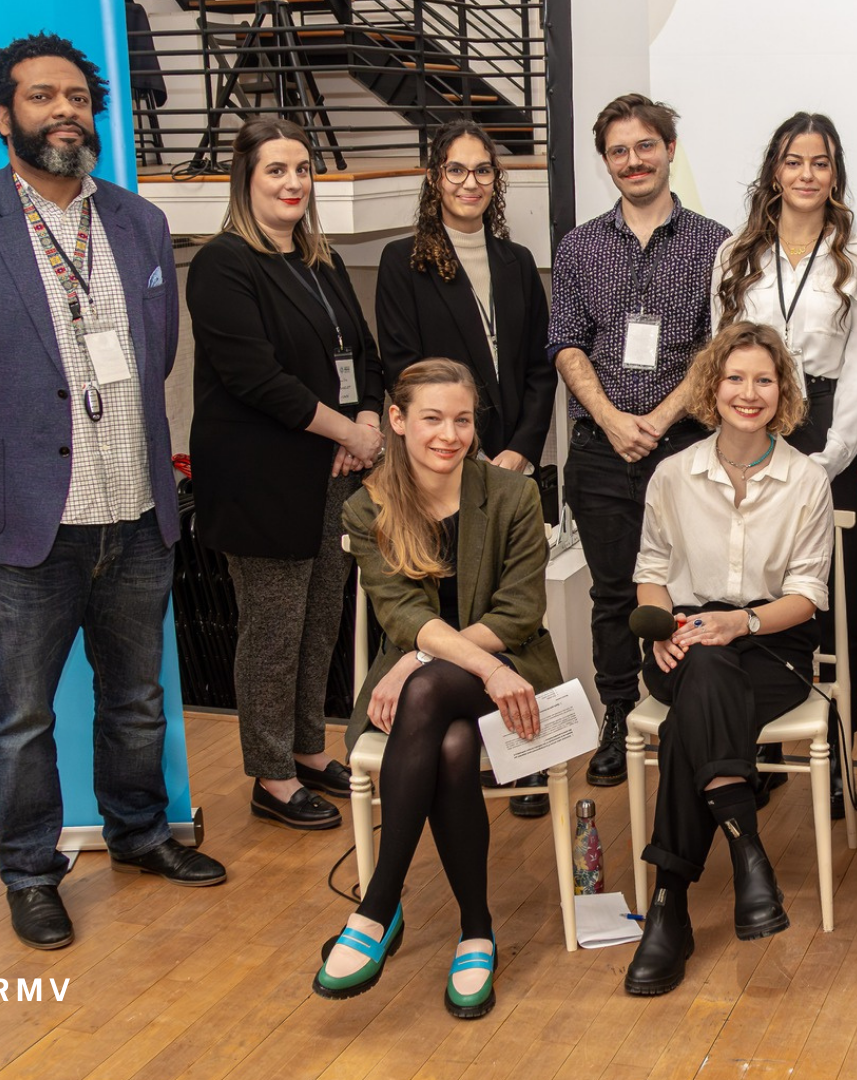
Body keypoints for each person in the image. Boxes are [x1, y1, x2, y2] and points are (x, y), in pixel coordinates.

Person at [0, 33, 225, 951]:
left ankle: (142, 834)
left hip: (136, 506)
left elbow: (157, 355)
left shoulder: (141, 224)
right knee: (21, 715)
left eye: (77, 96)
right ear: (3, 116)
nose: (65, 111)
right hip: (27, 522)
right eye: (41, 98)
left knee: (137, 697)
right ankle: (31, 872)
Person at [312, 360, 560, 1018]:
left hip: (517, 676)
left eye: (462, 419)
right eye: (431, 418)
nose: (449, 434)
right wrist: (432, 657)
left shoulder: (512, 495)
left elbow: (518, 616)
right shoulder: (369, 507)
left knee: (426, 693)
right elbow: (402, 617)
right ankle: (475, 929)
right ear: (396, 421)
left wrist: (415, 663)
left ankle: (377, 908)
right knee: (449, 741)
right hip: (456, 688)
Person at [620, 322, 835, 996]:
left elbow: (807, 595)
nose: (748, 392)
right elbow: (651, 570)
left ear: (783, 392)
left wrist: (739, 621)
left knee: (698, 706)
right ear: (713, 386)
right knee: (705, 667)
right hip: (683, 637)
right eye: (735, 378)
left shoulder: (806, 479)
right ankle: (747, 855)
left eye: (763, 380)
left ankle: (669, 905)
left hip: (773, 639)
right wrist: (661, 630)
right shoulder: (673, 474)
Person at [187, 117, 383, 833]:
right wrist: (353, 433)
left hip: (330, 469)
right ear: (246, 178)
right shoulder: (223, 263)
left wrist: (362, 420)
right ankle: (270, 776)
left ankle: (306, 749)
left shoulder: (318, 260)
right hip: (260, 476)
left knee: (319, 622)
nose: (293, 182)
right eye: (277, 169)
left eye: (302, 169)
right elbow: (255, 378)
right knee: (272, 631)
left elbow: (358, 353)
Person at [550, 93, 732, 793]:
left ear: (668, 150)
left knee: (693, 587)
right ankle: (619, 715)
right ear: (606, 162)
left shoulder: (715, 243)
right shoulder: (579, 246)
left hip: (685, 444)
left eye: (645, 146)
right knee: (612, 593)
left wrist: (656, 418)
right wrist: (614, 418)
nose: (634, 161)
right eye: (619, 151)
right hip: (601, 448)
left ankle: (691, 711)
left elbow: (717, 348)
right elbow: (566, 343)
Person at [376, 119, 557, 817]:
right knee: (457, 606)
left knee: (509, 611)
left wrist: (520, 450)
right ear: (434, 179)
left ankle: (518, 763)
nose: (471, 182)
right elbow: (402, 365)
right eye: (456, 170)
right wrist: (465, 446)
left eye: (483, 170)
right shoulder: (403, 261)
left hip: (512, 463)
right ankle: (462, 747)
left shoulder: (515, 261)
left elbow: (541, 369)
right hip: (443, 468)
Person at [713, 112, 857, 815]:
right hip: (750, 429)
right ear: (775, 171)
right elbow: (720, 357)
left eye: (820, 162)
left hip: (829, 435)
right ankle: (750, 755)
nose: (807, 174)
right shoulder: (735, 254)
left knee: (836, 599)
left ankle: (840, 761)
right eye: (794, 161)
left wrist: (826, 461)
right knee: (747, 593)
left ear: (835, 173)